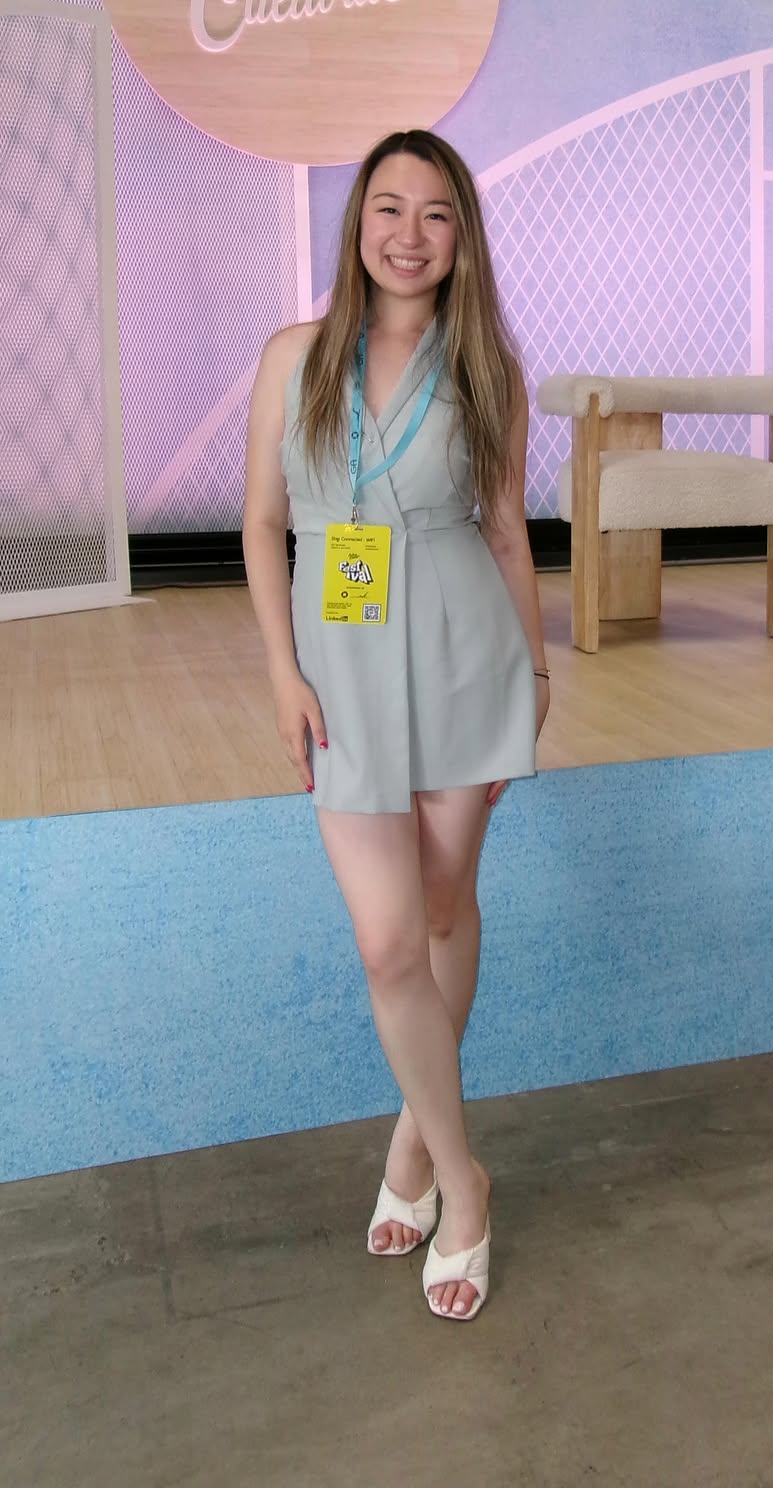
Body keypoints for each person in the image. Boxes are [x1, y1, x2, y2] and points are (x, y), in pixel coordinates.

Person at [243, 127, 549, 1324]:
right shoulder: (294, 356)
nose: (408, 235)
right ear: (357, 222)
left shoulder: (489, 370)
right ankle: (462, 1175)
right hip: (341, 672)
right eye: (388, 208)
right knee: (386, 945)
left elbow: (507, 531)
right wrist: (282, 672)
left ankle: (418, 1148)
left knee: (441, 914)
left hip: (465, 657)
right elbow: (265, 523)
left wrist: (532, 673)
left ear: (461, 235)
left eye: (435, 213)